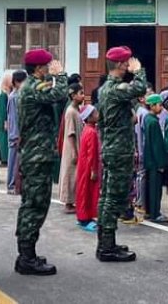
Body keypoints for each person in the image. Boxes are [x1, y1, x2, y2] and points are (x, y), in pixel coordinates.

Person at [15, 49, 68, 276]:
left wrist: (52, 78)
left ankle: (27, 254)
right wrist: (62, 75)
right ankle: (26, 257)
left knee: (35, 204)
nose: (49, 69)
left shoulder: (34, 85)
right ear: (38, 69)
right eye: (46, 66)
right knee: (34, 205)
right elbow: (58, 94)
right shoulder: (32, 88)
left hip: (38, 155)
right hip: (36, 157)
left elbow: (50, 90)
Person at [96, 46, 146, 263]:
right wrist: (139, 71)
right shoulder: (115, 88)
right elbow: (140, 88)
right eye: (126, 64)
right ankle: (106, 248)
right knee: (113, 199)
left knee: (108, 197)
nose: (128, 67)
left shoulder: (107, 88)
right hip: (118, 150)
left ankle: (106, 242)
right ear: (118, 65)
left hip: (112, 148)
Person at [59, 83, 85, 214]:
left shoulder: (77, 110)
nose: (83, 95)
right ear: (73, 96)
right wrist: (75, 152)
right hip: (71, 148)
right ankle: (68, 202)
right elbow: (70, 133)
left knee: (75, 176)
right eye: (80, 93)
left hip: (76, 146)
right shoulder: (70, 112)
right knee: (70, 175)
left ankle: (73, 200)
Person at [143, 93, 168, 222]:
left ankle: (149, 211)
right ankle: (155, 213)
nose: (161, 108)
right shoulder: (153, 122)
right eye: (159, 105)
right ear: (152, 106)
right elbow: (157, 145)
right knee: (155, 189)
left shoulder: (148, 119)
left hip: (149, 160)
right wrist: (161, 163)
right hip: (154, 162)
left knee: (150, 187)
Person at [76, 104, 101, 232]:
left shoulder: (88, 129)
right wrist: (93, 170)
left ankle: (84, 216)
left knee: (83, 191)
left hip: (84, 165)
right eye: (95, 113)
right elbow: (92, 153)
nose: (98, 115)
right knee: (87, 192)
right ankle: (84, 218)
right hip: (88, 167)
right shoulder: (91, 132)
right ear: (89, 117)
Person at [7, 70, 27, 195]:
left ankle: (16, 184)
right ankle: (11, 185)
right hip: (16, 134)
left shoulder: (18, 95)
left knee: (17, 161)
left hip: (18, 133)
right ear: (17, 82)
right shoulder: (14, 97)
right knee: (13, 160)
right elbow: (13, 117)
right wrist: (16, 135)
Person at [0, 72, 12, 166]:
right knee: (3, 140)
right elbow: (3, 109)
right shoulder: (3, 94)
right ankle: (4, 159)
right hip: (4, 121)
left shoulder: (8, 93)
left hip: (7, 120)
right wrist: (5, 121)